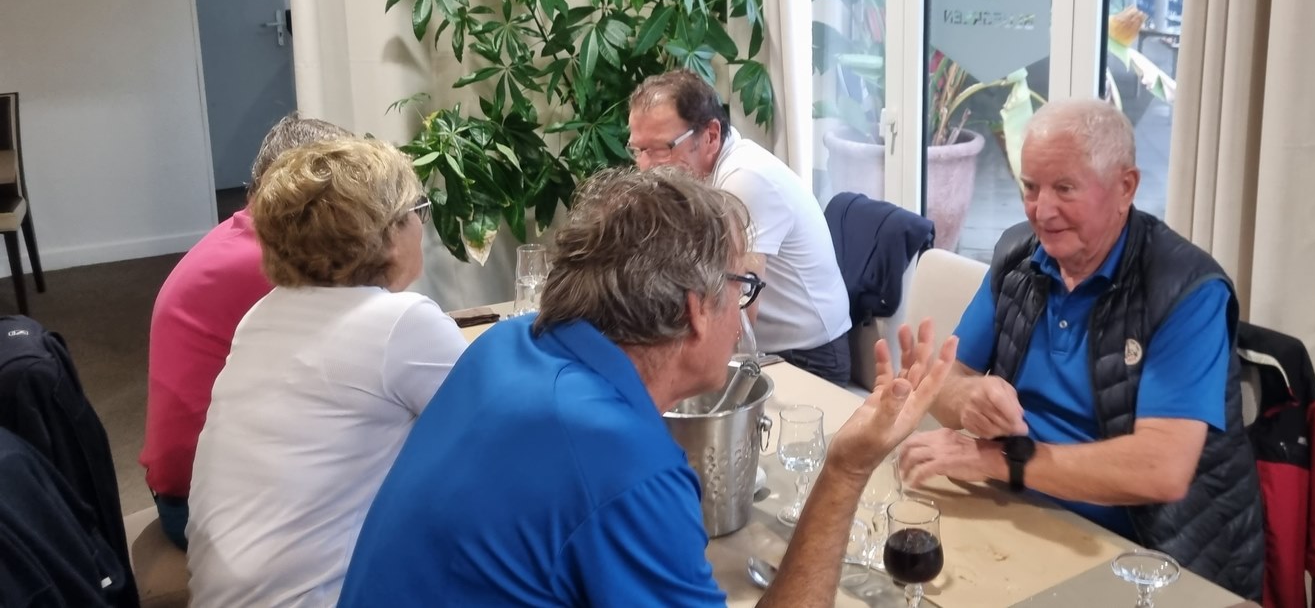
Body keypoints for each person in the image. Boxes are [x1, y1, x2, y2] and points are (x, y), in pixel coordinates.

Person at [336, 167, 956, 607]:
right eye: (743, 287)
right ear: (696, 309)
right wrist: (846, 468)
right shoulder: (622, 464)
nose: (747, 311)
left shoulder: (507, 343)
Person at [898, 99, 1264, 599]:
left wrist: (1002, 461)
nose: (1041, 211)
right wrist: (968, 400)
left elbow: (1161, 469)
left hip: (1152, 558)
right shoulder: (1019, 257)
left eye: (1064, 188)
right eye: (1031, 187)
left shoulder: (1185, 289)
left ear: (1125, 187)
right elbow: (945, 384)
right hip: (1025, 516)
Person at [185, 138, 466, 608]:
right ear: (386, 233)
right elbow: (498, 437)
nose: (422, 224)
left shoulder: (262, 314)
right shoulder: (401, 322)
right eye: (418, 210)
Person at [139, 112, 351, 550]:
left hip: (197, 485)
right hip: (207, 507)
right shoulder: (271, 259)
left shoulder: (242, 236)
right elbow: (362, 353)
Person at [626, 70, 854, 384]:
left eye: (661, 149)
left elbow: (739, 313)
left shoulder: (744, 179)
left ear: (711, 135)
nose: (645, 167)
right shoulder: (690, 177)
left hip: (808, 356)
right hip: (769, 348)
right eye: (638, 150)